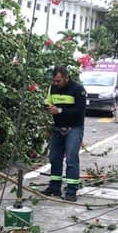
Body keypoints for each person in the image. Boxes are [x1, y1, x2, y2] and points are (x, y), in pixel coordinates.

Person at [43, 65, 86, 202]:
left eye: (58, 81)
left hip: (74, 128)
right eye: (54, 81)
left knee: (71, 159)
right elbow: (48, 101)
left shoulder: (78, 90)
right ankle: (54, 187)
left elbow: (79, 111)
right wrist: (47, 107)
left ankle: (71, 190)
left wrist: (60, 111)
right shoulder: (53, 88)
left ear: (67, 78)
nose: (56, 84)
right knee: (55, 157)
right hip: (58, 128)